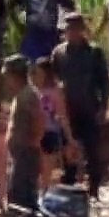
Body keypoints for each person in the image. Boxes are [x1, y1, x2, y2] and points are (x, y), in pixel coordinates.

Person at [51, 13, 109, 199]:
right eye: (69, 29)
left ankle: (94, 191)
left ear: (82, 30)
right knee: (68, 151)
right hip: (68, 112)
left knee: (93, 151)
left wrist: (103, 108)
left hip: (89, 109)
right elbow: (53, 82)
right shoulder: (59, 53)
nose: (73, 33)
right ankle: (69, 189)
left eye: (76, 29)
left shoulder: (94, 52)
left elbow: (104, 83)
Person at [2, 55, 45, 210]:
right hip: (20, 153)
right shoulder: (21, 95)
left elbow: (39, 120)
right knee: (17, 195)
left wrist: (32, 141)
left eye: (7, 75)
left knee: (22, 197)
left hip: (26, 153)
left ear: (15, 75)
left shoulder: (28, 95)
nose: (6, 80)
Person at [32, 56, 76, 194]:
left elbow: (62, 116)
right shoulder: (32, 91)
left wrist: (70, 139)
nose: (35, 75)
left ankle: (43, 198)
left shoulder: (55, 91)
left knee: (46, 171)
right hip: (33, 134)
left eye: (38, 72)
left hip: (48, 133)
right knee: (34, 171)